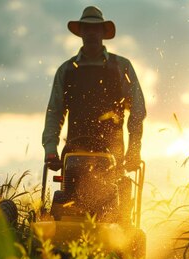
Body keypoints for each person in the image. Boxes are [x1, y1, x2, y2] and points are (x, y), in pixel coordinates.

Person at [42, 5, 146, 221]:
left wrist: (134, 149)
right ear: (80, 32)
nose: (91, 33)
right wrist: (51, 149)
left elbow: (137, 110)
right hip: (73, 156)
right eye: (87, 28)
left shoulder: (121, 68)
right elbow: (54, 111)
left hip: (113, 159)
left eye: (95, 28)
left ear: (102, 32)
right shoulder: (67, 70)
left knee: (118, 212)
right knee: (67, 209)